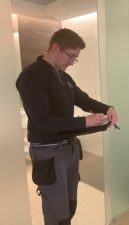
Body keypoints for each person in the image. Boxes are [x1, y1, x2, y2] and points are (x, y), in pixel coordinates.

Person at [16, 28, 118, 225]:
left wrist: (107, 108)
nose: (72, 61)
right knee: (57, 213)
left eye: (75, 58)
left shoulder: (64, 77)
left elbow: (83, 100)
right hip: (48, 153)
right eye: (71, 56)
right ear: (55, 47)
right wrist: (85, 121)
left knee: (70, 205)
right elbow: (43, 122)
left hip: (69, 149)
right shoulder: (31, 76)